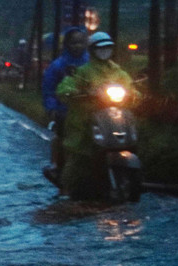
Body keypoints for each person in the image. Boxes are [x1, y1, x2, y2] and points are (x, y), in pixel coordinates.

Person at [56, 32, 137, 198]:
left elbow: (131, 88)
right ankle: (65, 188)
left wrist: (135, 95)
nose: (104, 52)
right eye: (100, 48)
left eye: (107, 48)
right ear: (92, 51)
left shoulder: (118, 72)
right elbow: (65, 87)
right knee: (78, 156)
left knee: (131, 141)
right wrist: (74, 93)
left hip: (114, 119)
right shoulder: (83, 72)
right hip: (86, 120)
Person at [42, 27, 88, 180]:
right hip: (65, 110)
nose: (77, 46)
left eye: (81, 42)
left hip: (92, 110)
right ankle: (57, 164)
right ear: (67, 44)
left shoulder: (93, 63)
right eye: (74, 42)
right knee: (61, 135)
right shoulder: (58, 66)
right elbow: (49, 89)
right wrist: (52, 107)